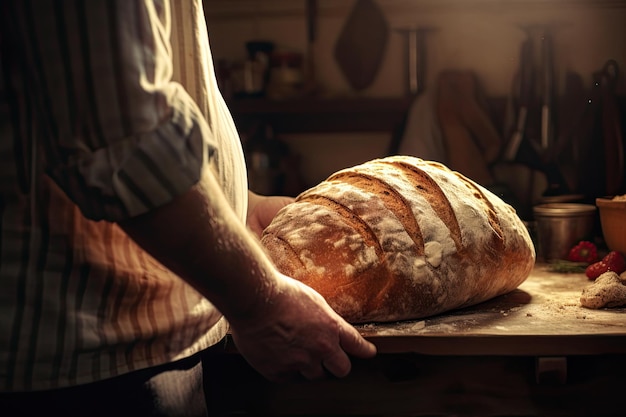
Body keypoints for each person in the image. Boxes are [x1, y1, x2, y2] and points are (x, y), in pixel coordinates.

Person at [0, 1, 377, 416]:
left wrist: (236, 210)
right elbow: (126, 138)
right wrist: (261, 302)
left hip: (144, 347)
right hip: (85, 365)